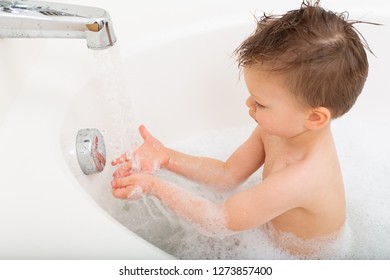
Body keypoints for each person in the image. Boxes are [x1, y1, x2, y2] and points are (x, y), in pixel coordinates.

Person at [110, 0, 370, 255]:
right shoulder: (281, 129)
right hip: (269, 240)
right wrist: (166, 156)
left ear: (314, 118)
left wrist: (155, 187)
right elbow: (228, 174)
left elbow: (218, 221)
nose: (248, 104)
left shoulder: (301, 177)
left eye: (260, 103)